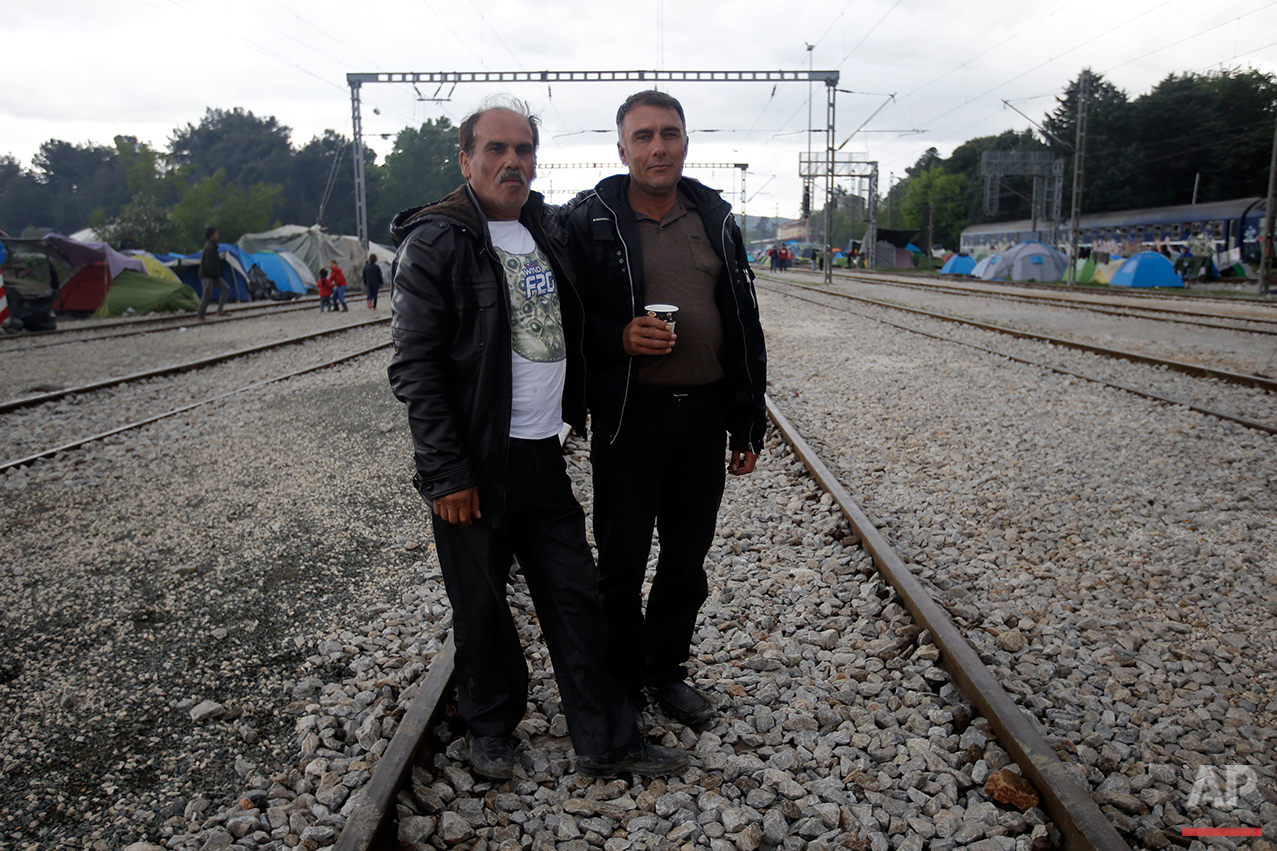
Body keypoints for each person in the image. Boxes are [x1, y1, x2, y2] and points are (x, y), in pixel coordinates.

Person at [386, 96, 687, 782]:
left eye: (522, 149)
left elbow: (571, 325)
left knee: (575, 596)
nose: (511, 162)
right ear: (465, 160)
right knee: (482, 604)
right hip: (475, 461)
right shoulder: (439, 240)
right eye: (495, 149)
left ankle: (607, 738)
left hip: (541, 453)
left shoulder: (544, 230)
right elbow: (414, 367)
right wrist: (445, 471)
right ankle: (490, 728)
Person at [564, 90, 766, 727]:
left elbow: (742, 322)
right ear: (621, 148)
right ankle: (622, 677)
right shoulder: (591, 219)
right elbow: (564, 319)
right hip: (632, 413)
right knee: (621, 560)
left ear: (686, 141)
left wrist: (746, 421)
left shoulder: (714, 215)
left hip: (703, 413)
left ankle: (665, 669)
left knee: (686, 557)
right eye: (644, 136)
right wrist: (616, 336)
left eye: (670, 134)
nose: (659, 147)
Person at [196, 227, 230, 320]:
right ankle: (201, 315)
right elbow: (209, 265)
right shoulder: (210, 248)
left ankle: (219, 310)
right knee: (207, 295)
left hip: (214, 276)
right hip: (208, 276)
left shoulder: (212, 246)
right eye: (216, 234)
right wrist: (213, 276)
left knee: (226, 289)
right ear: (211, 236)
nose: (217, 236)